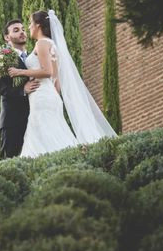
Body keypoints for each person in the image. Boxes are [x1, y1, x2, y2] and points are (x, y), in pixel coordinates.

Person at [8, 10, 117, 157]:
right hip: (50, 95)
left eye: (30, 24)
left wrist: (20, 72)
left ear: (38, 26)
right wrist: (52, 94)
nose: (29, 28)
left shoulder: (41, 43)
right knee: (54, 133)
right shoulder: (52, 44)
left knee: (40, 136)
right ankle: (71, 158)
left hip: (41, 96)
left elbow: (46, 71)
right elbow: (56, 79)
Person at [0, 19, 40, 158]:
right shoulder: (2, 57)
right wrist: (23, 90)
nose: (21, 32)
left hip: (34, 117)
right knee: (9, 162)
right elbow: (2, 88)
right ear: (7, 37)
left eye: (23, 29)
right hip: (12, 121)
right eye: (16, 30)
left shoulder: (33, 56)